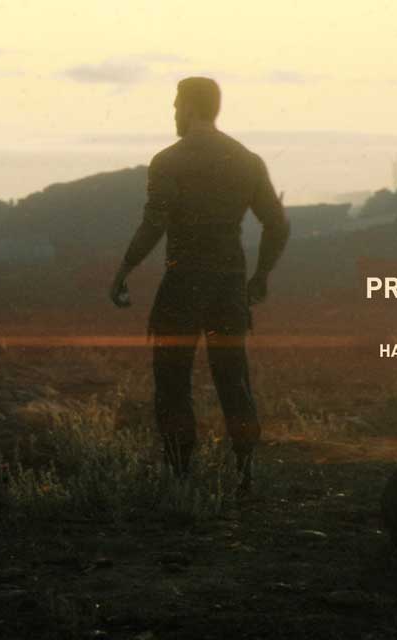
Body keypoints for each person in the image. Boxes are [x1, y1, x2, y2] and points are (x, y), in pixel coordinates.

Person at [108, 77, 289, 494]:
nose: (174, 113)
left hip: (183, 282)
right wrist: (261, 275)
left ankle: (179, 472)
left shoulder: (169, 160)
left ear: (189, 106)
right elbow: (276, 224)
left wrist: (124, 269)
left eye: (176, 105)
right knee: (233, 376)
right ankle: (244, 471)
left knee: (172, 379)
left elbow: (154, 223)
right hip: (229, 283)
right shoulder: (247, 160)